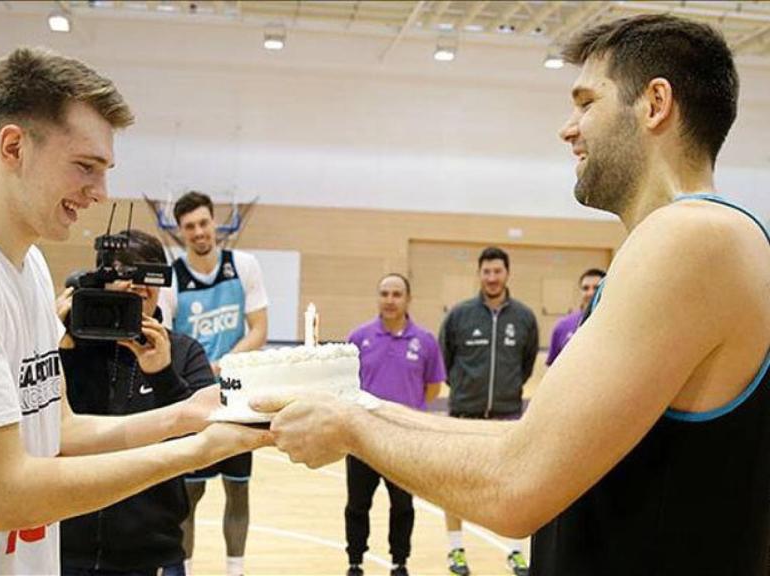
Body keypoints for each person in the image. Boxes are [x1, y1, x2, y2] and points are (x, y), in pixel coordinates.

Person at [257, 14, 767, 575]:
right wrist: (361, 407)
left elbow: (512, 487)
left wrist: (351, 429)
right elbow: (529, 444)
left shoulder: (694, 237)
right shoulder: (691, 242)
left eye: (586, 102)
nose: (568, 129)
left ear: (654, 104)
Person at [0, 47, 269, 575]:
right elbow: (6, 497)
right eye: (85, 167)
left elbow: (58, 432)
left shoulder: (28, 265)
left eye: (105, 170)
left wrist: (184, 415)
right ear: (15, 147)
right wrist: (198, 449)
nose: (99, 192)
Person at [57, 229, 213, 576]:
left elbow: (202, 446)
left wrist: (163, 375)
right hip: (64, 548)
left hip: (152, 554)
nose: (139, 286)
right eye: (125, 275)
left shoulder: (185, 352)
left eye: (149, 276)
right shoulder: (67, 345)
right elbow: (44, 430)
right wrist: (56, 340)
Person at [159, 191, 268, 576]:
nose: (199, 231)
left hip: (238, 395)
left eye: (204, 223)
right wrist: (200, 370)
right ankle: (182, 569)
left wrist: (222, 364)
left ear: (214, 223)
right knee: (189, 493)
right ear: (181, 231)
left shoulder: (243, 265)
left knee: (238, 487)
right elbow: (168, 339)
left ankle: (234, 570)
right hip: (194, 398)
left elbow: (259, 329)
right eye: (190, 226)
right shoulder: (171, 278)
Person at [438, 246, 537, 576]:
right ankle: (456, 551)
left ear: (507, 274)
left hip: (507, 414)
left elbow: (525, 365)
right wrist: (466, 389)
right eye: (487, 272)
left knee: (514, 487)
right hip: (465, 413)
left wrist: (507, 391)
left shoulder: (524, 318)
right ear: (479, 274)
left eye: (498, 271)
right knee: (455, 483)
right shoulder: (459, 315)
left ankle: (515, 552)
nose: (492, 278)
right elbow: (446, 359)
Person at [344, 273, 445, 576]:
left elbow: (432, 387)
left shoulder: (425, 341)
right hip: (361, 437)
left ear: (408, 299)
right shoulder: (358, 338)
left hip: (404, 440)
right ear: (378, 298)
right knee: (357, 505)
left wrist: (406, 413)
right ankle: (355, 562)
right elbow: (346, 383)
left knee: (402, 506)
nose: (390, 300)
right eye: (384, 293)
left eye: (396, 294)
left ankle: (399, 562)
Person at [545, 268, 605, 366]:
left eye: (596, 288)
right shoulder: (562, 326)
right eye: (585, 288)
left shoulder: (617, 326)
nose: (590, 293)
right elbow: (552, 366)